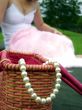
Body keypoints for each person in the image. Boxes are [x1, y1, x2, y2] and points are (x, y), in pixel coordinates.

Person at [0, 0, 82, 67]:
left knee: (63, 41)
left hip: (32, 35)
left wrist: (54, 31)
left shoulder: (35, 4)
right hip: (15, 41)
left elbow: (41, 25)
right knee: (42, 50)